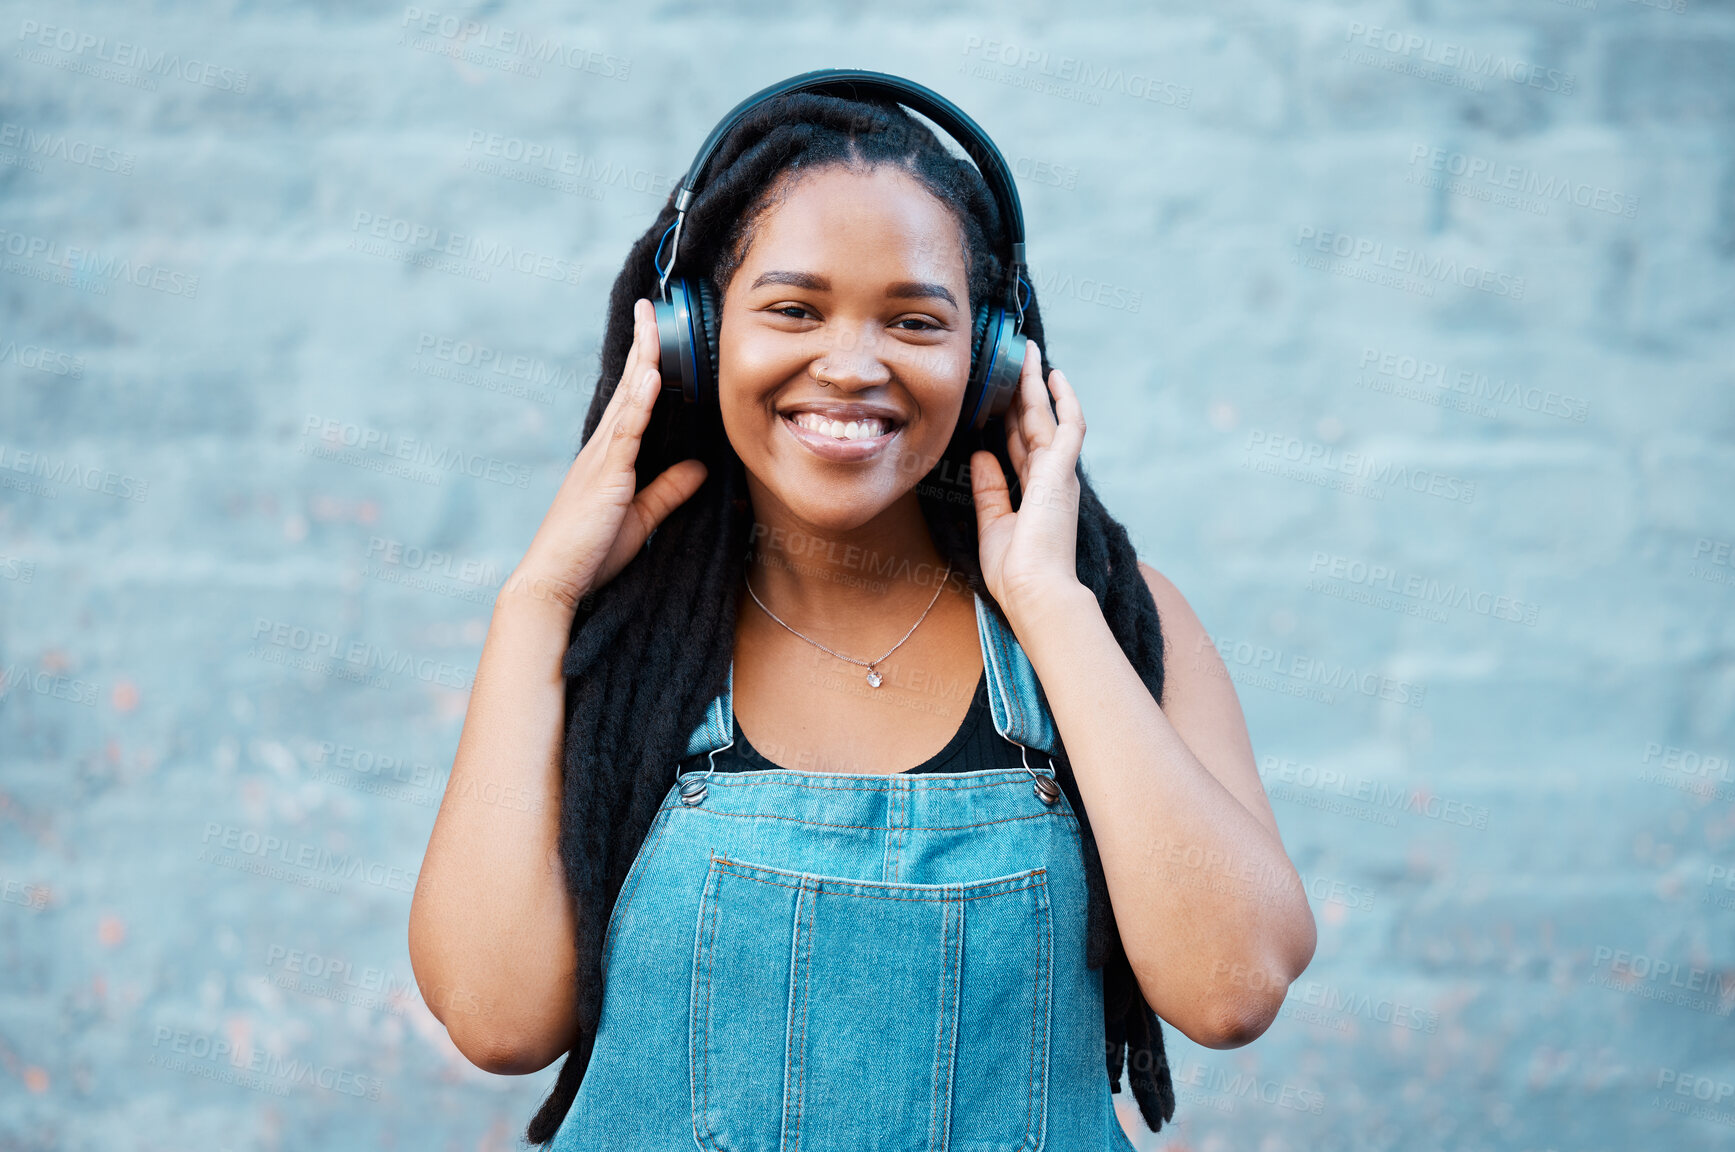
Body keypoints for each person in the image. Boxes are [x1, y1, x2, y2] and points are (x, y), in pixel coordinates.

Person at [408, 83, 1316, 1150]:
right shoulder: (605, 644)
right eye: (792, 309)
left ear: (990, 361)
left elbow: (1232, 990)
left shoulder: (1112, 622)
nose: (850, 364)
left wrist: (1048, 603)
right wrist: (536, 603)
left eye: (914, 321)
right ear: (693, 336)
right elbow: (496, 1020)